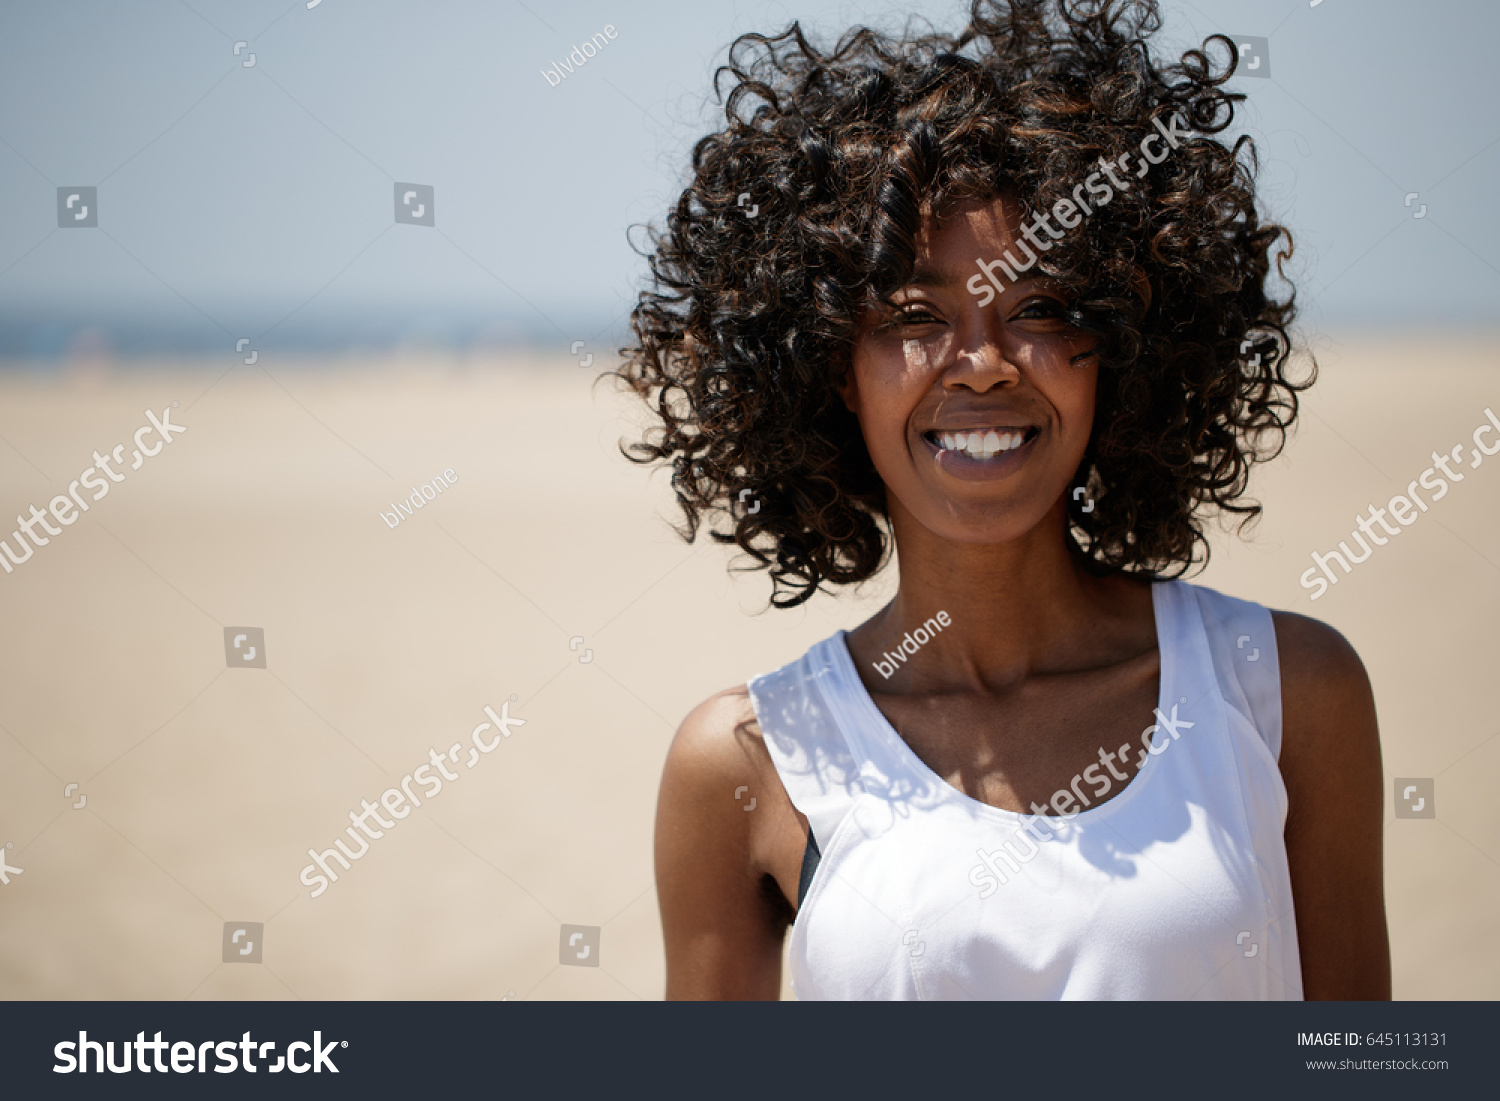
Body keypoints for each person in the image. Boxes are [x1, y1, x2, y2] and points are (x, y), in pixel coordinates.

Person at [617, 0, 1389, 1000]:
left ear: (1122, 341)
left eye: (1040, 307)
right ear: (829, 368)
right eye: (912, 314)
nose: (981, 364)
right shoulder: (743, 764)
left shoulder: (1285, 691)